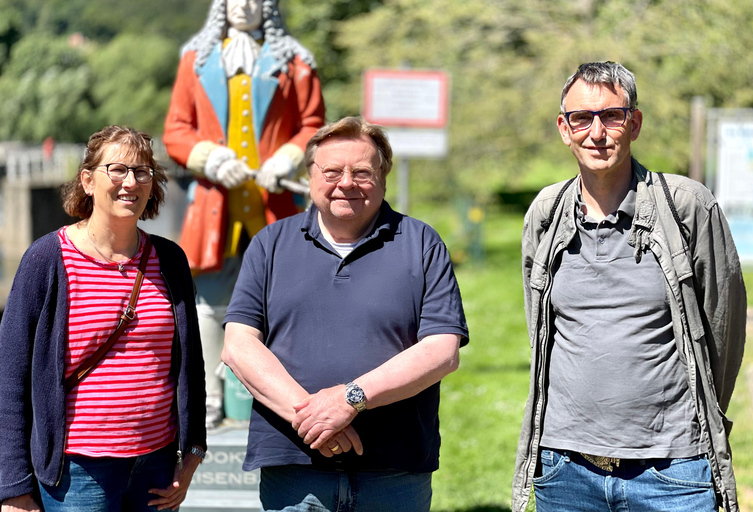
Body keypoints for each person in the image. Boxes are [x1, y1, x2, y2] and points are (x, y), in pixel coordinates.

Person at [513, 61, 747, 512]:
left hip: (673, 471)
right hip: (565, 469)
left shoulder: (686, 206)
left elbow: (725, 327)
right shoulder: (546, 213)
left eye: (612, 116)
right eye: (582, 118)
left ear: (634, 123)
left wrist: (699, 422)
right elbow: (538, 327)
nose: (596, 132)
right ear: (564, 128)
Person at [221, 116, 469, 511]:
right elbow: (238, 346)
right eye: (332, 170)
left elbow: (442, 350)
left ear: (384, 178)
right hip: (294, 467)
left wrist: (351, 399)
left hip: (394, 471)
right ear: (310, 177)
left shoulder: (422, 243)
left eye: (362, 172)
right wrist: (317, 419)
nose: (347, 182)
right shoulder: (270, 243)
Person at [0, 126, 207, 512]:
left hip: (157, 468)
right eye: (117, 169)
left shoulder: (170, 260)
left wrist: (194, 448)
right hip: (76, 472)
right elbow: (9, 376)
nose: (131, 181)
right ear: (88, 180)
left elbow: (190, 365)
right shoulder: (47, 260)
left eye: (142, 171)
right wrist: (12, 488)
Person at [163, 0, 324, 428]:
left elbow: (313, 123)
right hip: (217, 209)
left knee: (284, 305)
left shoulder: (294, 61)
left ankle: (280, 400)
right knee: (209, 306)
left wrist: (288, 158)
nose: (245, 5)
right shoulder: (195, 61)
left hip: (275, 208)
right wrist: (211, 158)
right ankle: (209, 399)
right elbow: (177, 129)